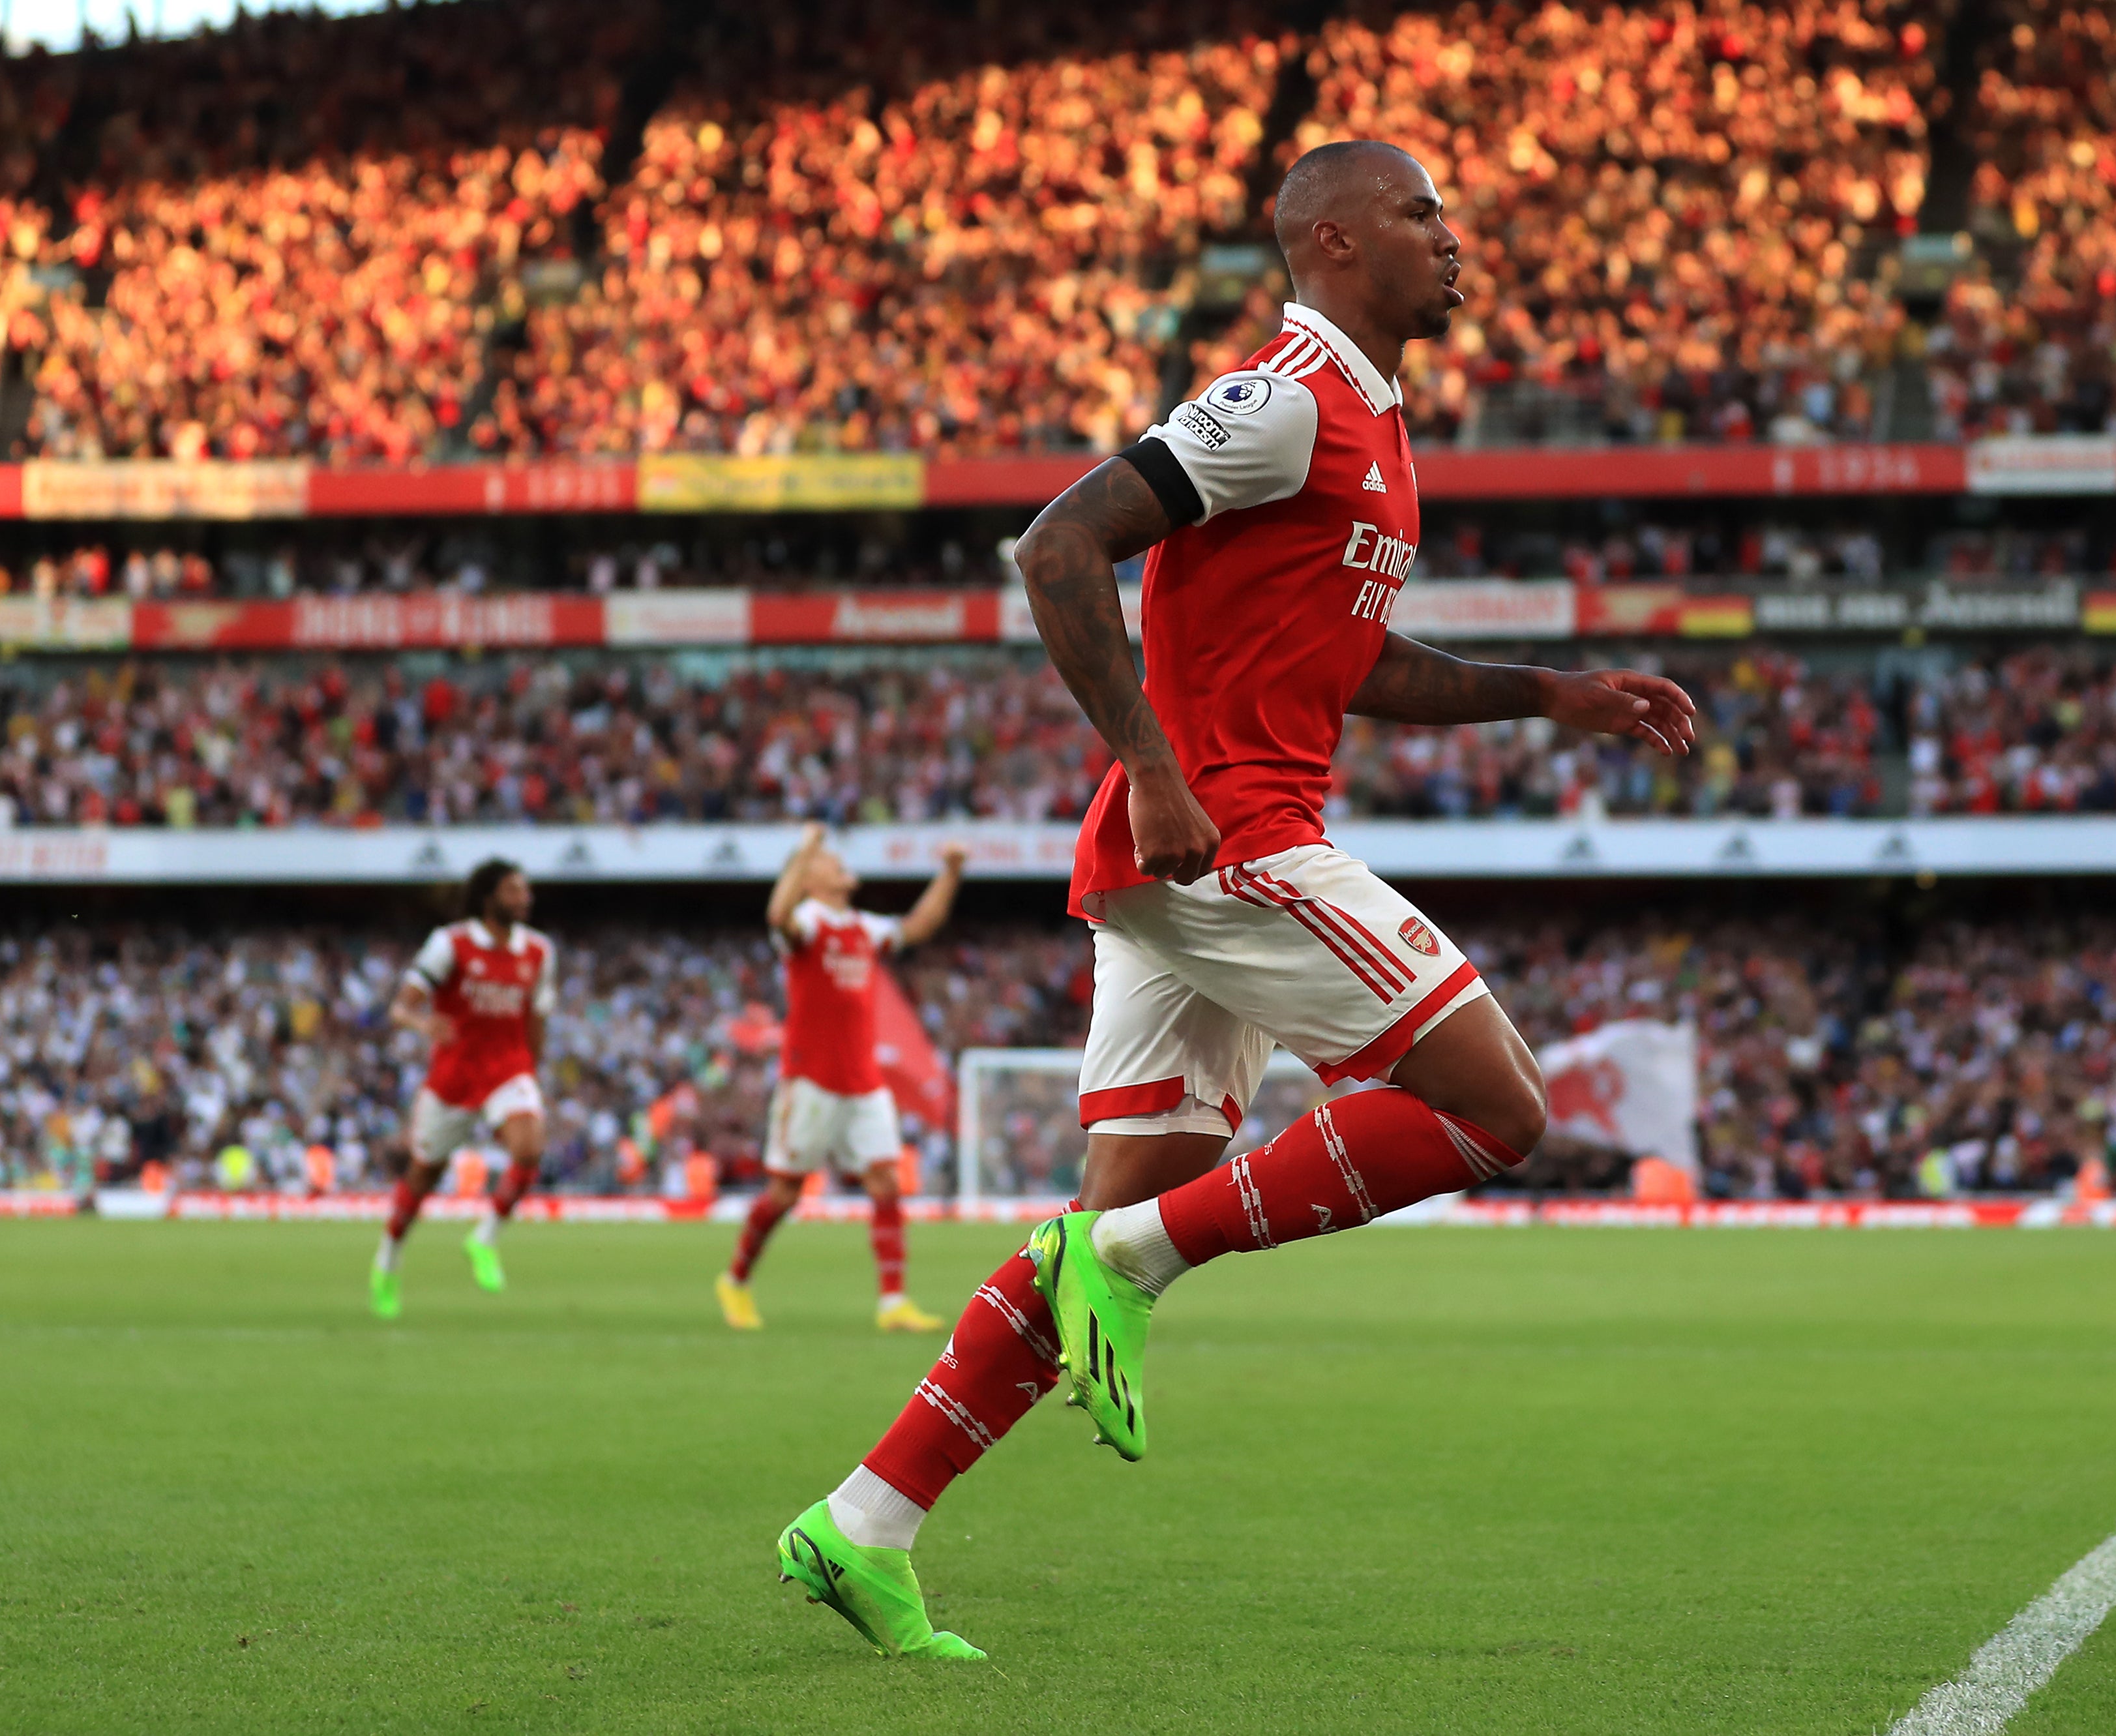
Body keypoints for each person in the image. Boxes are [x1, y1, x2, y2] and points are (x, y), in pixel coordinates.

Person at [771, 140, 1697, 1660]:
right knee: (1492, 1108)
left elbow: (1361, 665)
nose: (1453, 243)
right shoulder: (1284, 399)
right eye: (1422, 214)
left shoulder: (1379, 434)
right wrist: (1150, 762)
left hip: (1195, 845)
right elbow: (1058, 544)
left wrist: (1550, 694)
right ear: (1331, 241)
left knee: (1106, 1207)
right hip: (1225, 836)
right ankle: (1130, 1263)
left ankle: (866, 1520)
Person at [717, 825, 968, 1332]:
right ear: (808, 878)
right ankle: (736, 1279)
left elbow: (918, 926)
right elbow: (776, 915)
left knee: (885, 1182)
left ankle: (893, 1301)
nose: (838, 863)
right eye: (826, 860)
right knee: (786, 1192)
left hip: (863, 1079)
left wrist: (951, 872)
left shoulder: (861, 928)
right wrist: (805, 847)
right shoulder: (807, 924)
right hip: (809, 1078)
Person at [370, 858, 556, 1321]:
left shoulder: (538, 951)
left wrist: (532, 1071)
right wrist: (422, 1022)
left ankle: (484, 1238)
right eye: (514, 891)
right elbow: (400, 1007)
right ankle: (387, 1261)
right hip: (454, 1077)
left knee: (530, 1148)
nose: (525, 899)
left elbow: (536, 1017)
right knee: (422, 1177)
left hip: (508, 1070)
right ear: (489, 897)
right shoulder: (449, 944)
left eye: (526, 890)